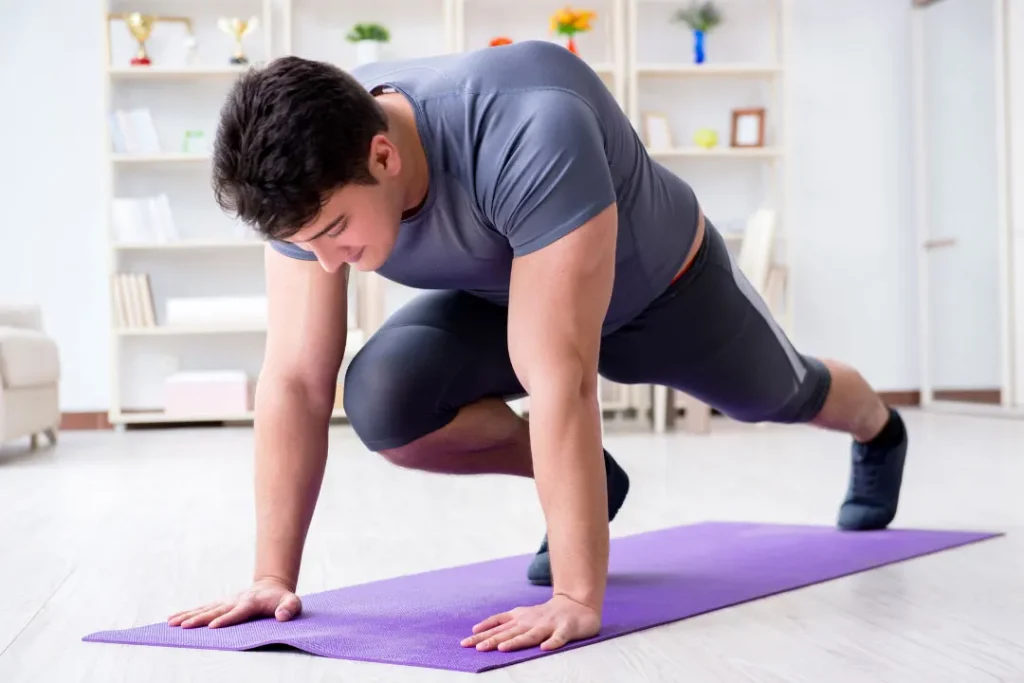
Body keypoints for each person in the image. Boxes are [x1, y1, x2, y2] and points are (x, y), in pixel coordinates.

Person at [166, 40, 908, 654]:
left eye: (335, 234)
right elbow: (296, 378)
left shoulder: (528, 126)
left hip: (668, 293)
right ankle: (591, 482)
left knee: (782, 395)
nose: (328, 263)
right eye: (306, 245)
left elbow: (560, 377)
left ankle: (878, 425)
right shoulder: (307, 178)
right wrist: (271, 576)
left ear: (385, 157)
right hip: (503, 298)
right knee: (386, 399)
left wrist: (577, 596)